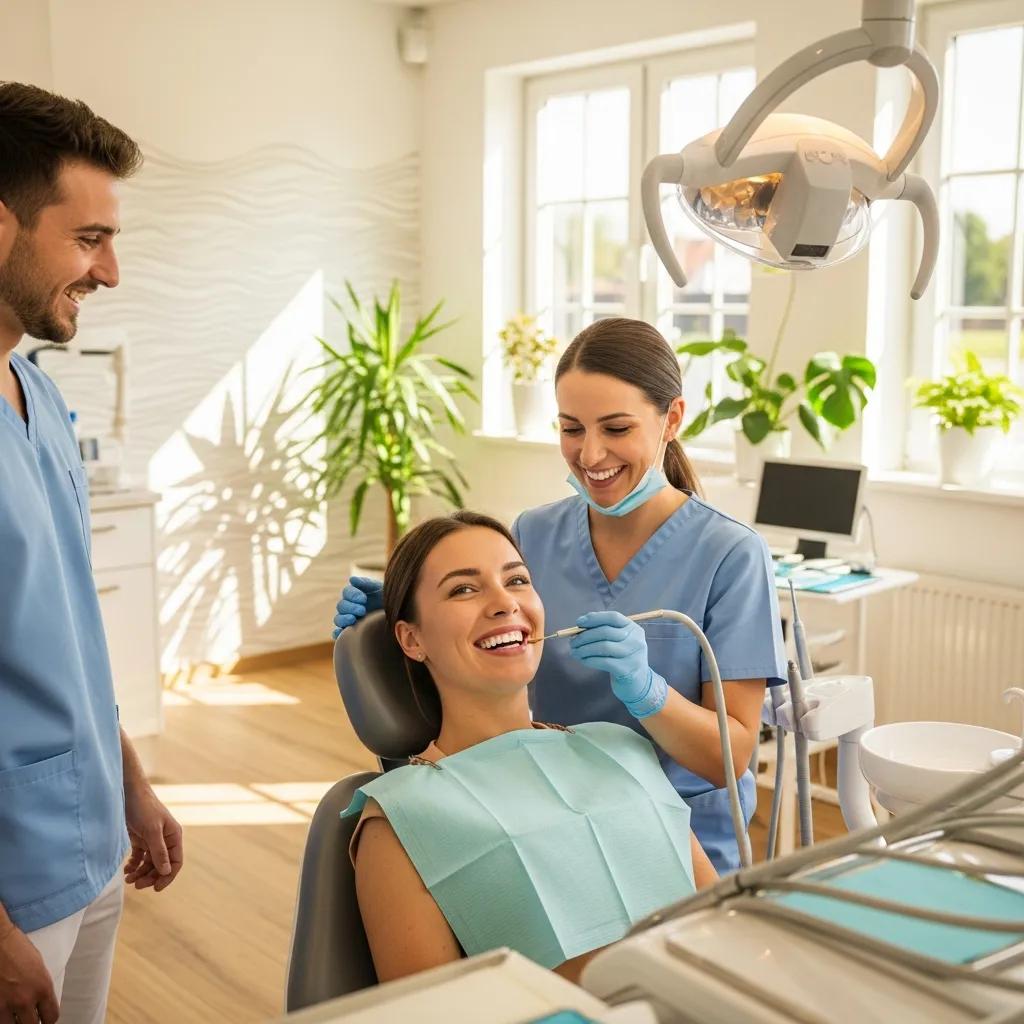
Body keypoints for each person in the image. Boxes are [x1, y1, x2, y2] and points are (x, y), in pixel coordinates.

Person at [336, 318, 786, 873]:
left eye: (616, 429)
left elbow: (730, 757)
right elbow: (490, 644)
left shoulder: (731, 554)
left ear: (671, 419)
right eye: (572, 429)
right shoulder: (533, 534)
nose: (591, 455)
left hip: (681, 833)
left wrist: (648, 693)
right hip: (557, 813)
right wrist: (409, 609)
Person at [346, 511, 717, 984]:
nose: (504, 604)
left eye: (517, 580)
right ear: (412, 638)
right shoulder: (403, 817)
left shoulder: (621, 748)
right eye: (463, 588)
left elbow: (721, 917)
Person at [0, 82, 184, 1024]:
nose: (109, 272)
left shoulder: (38, 395)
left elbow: (70, 630)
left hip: (89, 842)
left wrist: (130, 784)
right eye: (86, 239)